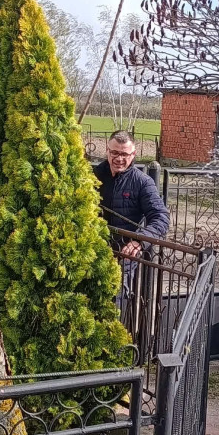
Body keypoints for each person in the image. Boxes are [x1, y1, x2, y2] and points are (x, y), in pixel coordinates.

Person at [94, 130, 169, 305]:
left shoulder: (142, 182)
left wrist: (139, 242)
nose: (119, 159)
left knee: (114, 310)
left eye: (125, 154)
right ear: (107, 150)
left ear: (133, 154)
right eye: (115, 153)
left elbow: (161, 217)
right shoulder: (93, 175)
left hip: (122, 259)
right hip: (92, 254)